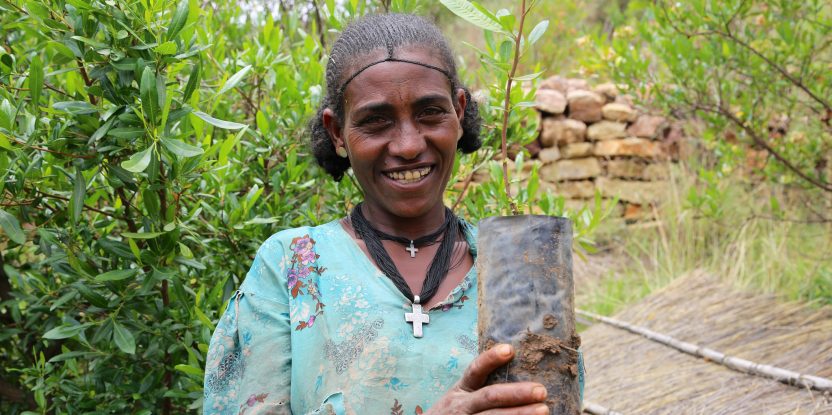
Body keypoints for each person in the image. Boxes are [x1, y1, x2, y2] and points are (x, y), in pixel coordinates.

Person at [203, 13, 583, 415]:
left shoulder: (518, 273)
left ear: (458, 111)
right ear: (337, 133)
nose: (406, 145)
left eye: (430, 113)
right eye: (376, 121)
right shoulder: (292, 268)